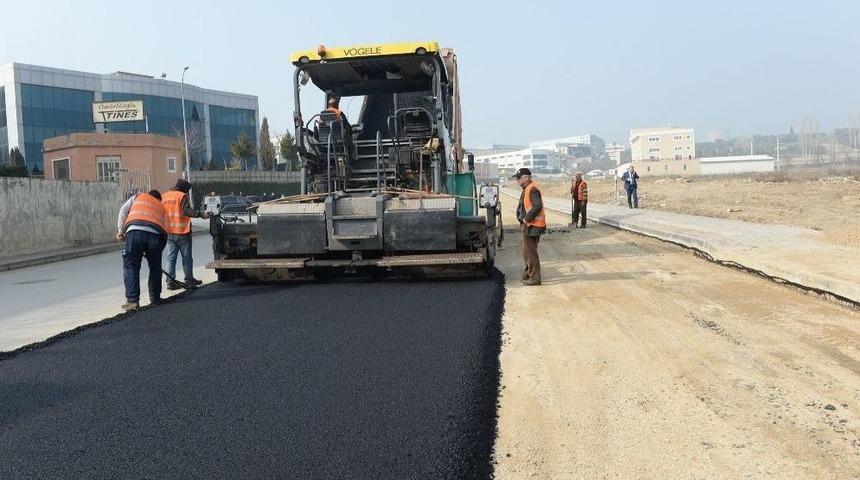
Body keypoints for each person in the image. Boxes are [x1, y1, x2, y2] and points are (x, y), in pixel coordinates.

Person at [116, 190, 168, 311]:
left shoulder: (138, 196)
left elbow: (123, 210)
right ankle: (155, 298)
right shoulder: (161, 206)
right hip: (155, 234)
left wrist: (120, 230)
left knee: (131, 266)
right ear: (159, 199)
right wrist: (156, 252)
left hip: (134, 231)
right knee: (155, 267)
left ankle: (132, 301)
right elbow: (165, 233)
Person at [162, 179, 208, 290]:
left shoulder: (165, 196)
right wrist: (201, 214)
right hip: (182, 232)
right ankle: (189, 280)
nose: (187, 192)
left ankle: (170, 282)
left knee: (171, 257)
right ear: (184, 189)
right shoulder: (181, 196)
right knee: (186, 257)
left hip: (169, 231)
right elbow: (187, 211)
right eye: (187, 190)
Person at [515, 168, 546, 286]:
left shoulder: (532, 189)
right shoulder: (527, 189)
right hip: (530, 225)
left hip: (533, 225)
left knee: (531, 253)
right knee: (527, 252)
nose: (517, 180)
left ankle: (535, 277)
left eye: (519, 178)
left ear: (526, 178)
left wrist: (526, 219)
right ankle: (528, 273)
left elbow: (537, 205)